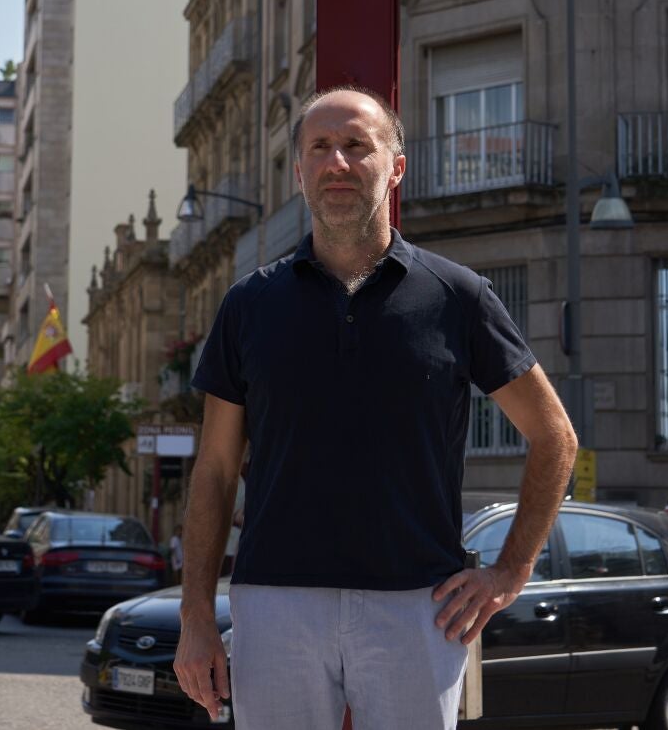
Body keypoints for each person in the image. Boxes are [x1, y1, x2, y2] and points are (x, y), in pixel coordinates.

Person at [172, 86, 580, 730]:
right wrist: (196, 615)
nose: (337, 161)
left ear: (396, 167)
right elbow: (217, 471)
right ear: (299, 171)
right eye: (320, 147)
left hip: (417, 606)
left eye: (357, 145)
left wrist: (511, 570)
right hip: (274, 603)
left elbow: (555, 437)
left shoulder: (459, 297)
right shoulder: (248, 305)